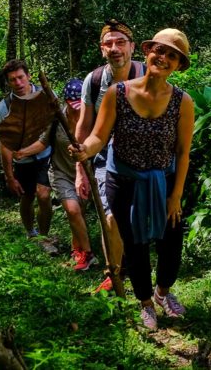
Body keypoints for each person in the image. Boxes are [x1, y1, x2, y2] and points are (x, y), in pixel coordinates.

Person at [71, 28, 195, 331]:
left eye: (172, 55)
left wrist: (175, 195)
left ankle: (162, 293)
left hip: (162, 182)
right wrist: (84, 150)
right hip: (122, 181)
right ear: (147, 52)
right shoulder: (119, 92)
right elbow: (99, 136)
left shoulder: (183, 102)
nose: (163, 58)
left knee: (171, 244)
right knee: (135, 245)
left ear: (178, 65)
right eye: (159, 51)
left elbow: (182, 153)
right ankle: (145, 304)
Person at [75, 20, 146, 293]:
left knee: (139, 216)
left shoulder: (148, 73)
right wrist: (81, 170)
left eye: (120, 42)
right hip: (104, 157)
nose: (114, 48)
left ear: (132, 47)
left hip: (144, 159)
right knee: (110, 217)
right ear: (101, 49)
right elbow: (83, 126)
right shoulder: (93, 82)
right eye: (109, 43)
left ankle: (138, 268)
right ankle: (113, 274)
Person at [12, 78, 97, 271]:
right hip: (61, 172)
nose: (76, 109)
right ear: (66, 101)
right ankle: (89, 254)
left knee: (79, 213)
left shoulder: (91, 117)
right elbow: (43, 143)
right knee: (73, 210)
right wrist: (23, 152)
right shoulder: (57, 119)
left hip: (86, 174)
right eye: (72, 104)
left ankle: (78, 250)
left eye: (79, 105)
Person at [0, 59, 53, 238]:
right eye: (13, 80)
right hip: (22, 161)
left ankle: (44, 236)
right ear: (8, 82)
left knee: (43, 195)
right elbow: (4, 144)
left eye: (20, 77)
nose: (18, 83)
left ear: (28, 76)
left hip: (45, 156)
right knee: (27, 197)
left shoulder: (46, 95)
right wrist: (9, 176)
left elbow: (58, 125)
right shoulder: (4, 108)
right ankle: (30, 232)